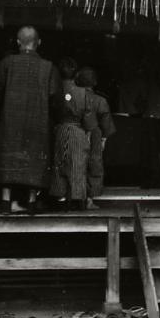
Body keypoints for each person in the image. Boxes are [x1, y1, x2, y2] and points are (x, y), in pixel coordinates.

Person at [0, 26, 61, 213]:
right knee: (35, 159)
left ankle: (6, 201)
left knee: (8, 157)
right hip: (39, 122)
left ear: (18, 42)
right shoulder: (48, 67)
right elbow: (55, 99)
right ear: (39, 43)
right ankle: (31, 201)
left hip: (10, 122)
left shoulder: (6, 63)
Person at [49, 57, 98, 209]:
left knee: (59, 164)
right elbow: (89, 118)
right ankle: (77, 199)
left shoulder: (54, 91)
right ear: (76, 73)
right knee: (78, 164)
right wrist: (88, 132)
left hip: (59, 129)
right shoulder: (83, 93)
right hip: (78, 130)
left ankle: (60, 198)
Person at [76, 66, 115, 210]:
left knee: (76, 164)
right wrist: (103, 139)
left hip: (75, 132)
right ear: (95, 82)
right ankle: (89, 199)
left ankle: (74, 197)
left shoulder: (73, 97)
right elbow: (106, 123)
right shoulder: (100, 100)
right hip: (94, 135)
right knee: (93, 164)